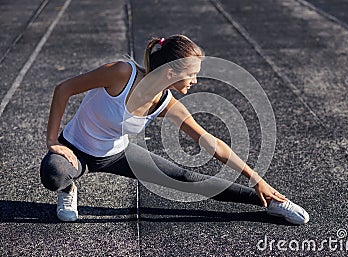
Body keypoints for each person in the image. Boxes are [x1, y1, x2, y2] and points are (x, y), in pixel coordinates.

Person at [40, 35, 309, 225]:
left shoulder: (168, 104)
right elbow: (64, 88)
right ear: (170, 73)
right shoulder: (121, 73)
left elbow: (211, 143)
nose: (195, 80)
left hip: (117, 154)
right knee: (54, 173)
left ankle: (273, 204)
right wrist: (53, 140)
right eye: (192, 74)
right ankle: (68, 187)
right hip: (74, 150)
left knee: (187, 179)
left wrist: (257, 179)